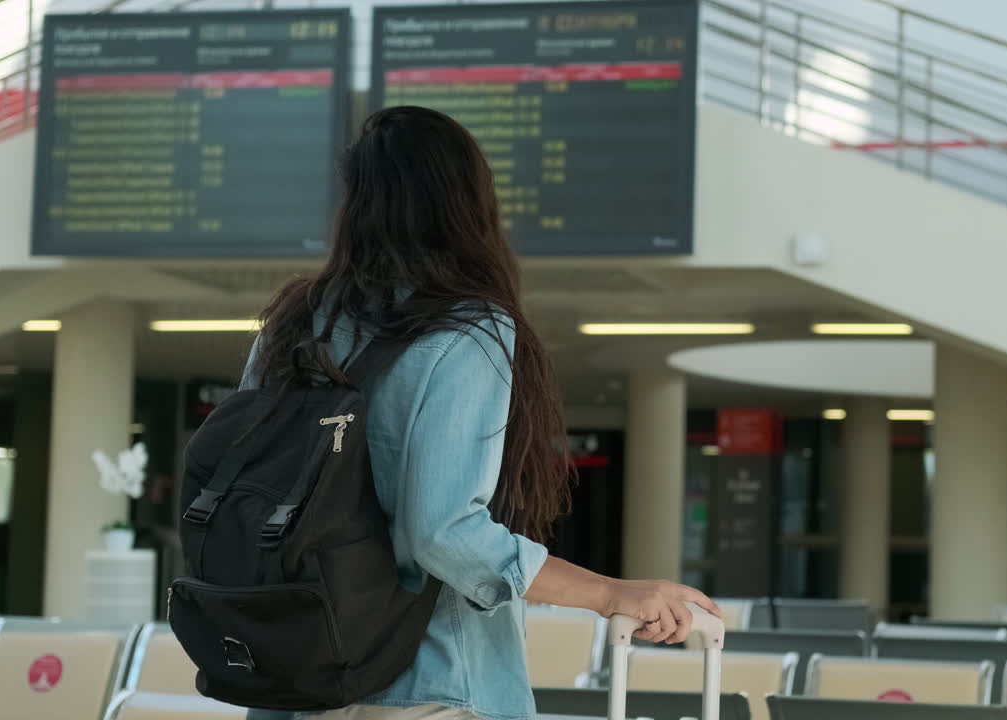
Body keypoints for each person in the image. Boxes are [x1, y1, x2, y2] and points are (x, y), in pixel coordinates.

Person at [238, 106, 719, 720]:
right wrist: (611, 593)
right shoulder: (466, 328)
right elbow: (442, 532)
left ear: (356, 204)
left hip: (289, 674)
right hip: (426, 683)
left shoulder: (295, 325)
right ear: (469, 202)